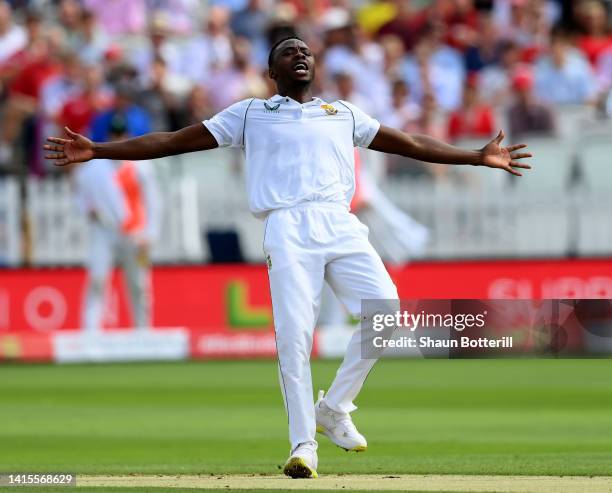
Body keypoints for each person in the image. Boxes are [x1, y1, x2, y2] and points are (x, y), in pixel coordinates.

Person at [44, 36, 531, 479]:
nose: (300, 55)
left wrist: (474, 156)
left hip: (340, 222)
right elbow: (173, 142)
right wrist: (100, 150)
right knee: (295, 338)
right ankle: (303, 445)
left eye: (306, 51)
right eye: (287, 52)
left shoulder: (342, 114)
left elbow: (411, 143)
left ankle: (334, 408)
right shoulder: (250, 113)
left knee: (386, 312)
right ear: (271, 71)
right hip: (287, 225)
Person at [73, 115, 160, 331]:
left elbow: (154, 201)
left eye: (122, 134)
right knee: (97, 279)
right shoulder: (91, 168)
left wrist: (151, 232)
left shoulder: (141, 166)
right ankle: (91, 334)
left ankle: (143, 333)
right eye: (115, 134)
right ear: (109, 135)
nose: (119, 137)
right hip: (103, 231)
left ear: (127, 135)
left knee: (139, 285)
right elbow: (80, 198)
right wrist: (88, 210)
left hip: (135, 232)